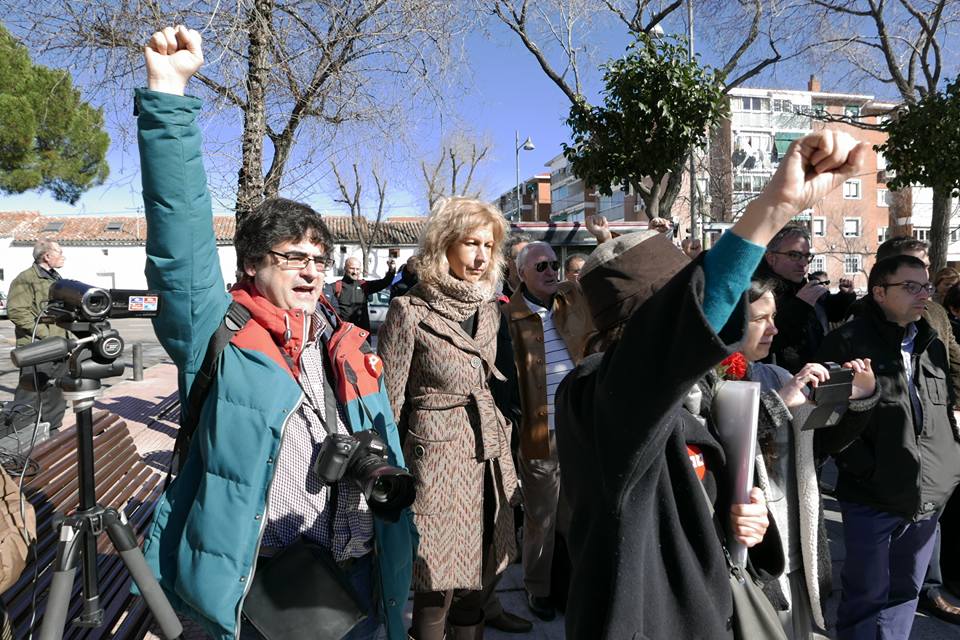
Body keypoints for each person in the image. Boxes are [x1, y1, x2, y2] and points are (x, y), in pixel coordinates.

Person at [136, 26, 414, 640]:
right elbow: (180, 240)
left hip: (355, 575)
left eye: (319, 258)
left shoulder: (342, 340)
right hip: (262, 589)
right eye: (293, 257)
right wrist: (168, 96)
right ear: (251, 266)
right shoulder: (219, 333)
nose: (311, 270)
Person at [556, 129, 869, 639]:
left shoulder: (695, 394)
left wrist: (741, 518)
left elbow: (692, 499)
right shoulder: (594, 392)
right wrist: (772, 208)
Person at [377, 196, 521, 639]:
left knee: (479, 580)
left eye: (489, 246)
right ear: (444, 245)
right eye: (471, 243)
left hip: (486, 457)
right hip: (435, 462)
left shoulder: (490, 310)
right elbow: (389, 402)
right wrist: (388, 473)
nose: (481, 257)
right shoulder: (409, 311)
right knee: (435, 586)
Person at [816, 254, 960, 640]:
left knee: (905, 590)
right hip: (872, 494)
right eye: (910, 287)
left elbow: (942, 406)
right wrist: (864, 467)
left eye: (926, 286)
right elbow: (826, 426)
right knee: (866, 593)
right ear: (879, 292)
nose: (924, 295)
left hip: (929, 492)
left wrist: (950, 462)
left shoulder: (931, 340)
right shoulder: (845, 343)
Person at [741, 279, 878, 639]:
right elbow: (726, 451)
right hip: (752, 559)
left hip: (795, 547)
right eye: (760, 319)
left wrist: (859, 398)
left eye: (774, 317)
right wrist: (779, 403)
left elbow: (822, 446)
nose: (773, 328)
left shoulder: (776, 375)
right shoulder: (705, 386)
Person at [504, 241, 595, 621]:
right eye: (540, 266)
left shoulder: (571, 300)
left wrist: (602, 237)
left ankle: (571, 584)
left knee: (575, 514)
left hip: (578, 429)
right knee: (541, 517)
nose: (550, 271)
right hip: (539, 432)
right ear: (521, 272)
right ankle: (537, 587)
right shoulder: (509, 316)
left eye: (553, 264)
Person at [754, 224, 856, 373]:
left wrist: (845, 297)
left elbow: (831, 312)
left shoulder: (805, 285)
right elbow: (764, 340)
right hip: (777, 378)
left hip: (815, 374)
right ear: (771, 258)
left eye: (807, 256)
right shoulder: (757, 292)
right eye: (794, 255)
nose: (803, 263)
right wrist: (800, 306)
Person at [6, 238, 69, 437]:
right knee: (29, 395)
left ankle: (52, 432)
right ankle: (17, 437)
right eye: (59, 252)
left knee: (56, 393)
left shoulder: (56, 278)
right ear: (47, 256)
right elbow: (17, 312)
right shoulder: (26, 279)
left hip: (59, 346)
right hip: (37, 347)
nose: (63, 256)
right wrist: (46, 334)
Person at [333, 256, 396, 333]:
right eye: (352, 268)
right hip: (343, 333)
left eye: (358, 269)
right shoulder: (336, 287)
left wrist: (392, 270)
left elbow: (384, 282)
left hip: (362, 333)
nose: (355, 272)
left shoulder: (364, 285)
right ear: (345, 268)